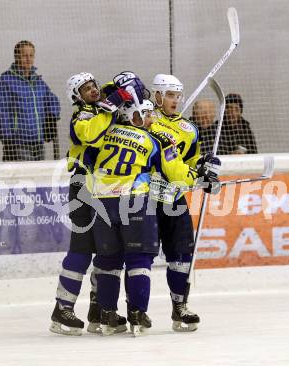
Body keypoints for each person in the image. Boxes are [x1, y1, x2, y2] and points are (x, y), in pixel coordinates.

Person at [88, 98, 210, 336]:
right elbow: (177, 173)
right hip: (136, 200)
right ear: (135, 114)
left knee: (108, 261)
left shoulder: (105, 132)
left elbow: (90, 159)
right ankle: (136, 313)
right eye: (146, 114)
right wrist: (200, 176)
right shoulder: (154, 140)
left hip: (102, 201)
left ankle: (105, 315)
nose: (151, 119)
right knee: (139, 260)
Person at [49, 71, 143, 336]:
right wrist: (111, 102)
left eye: (93, 85)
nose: (91, 89)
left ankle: (98, 309)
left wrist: (126, 85)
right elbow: (91, 135)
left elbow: (128, 96)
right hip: (83, 188)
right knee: (81, 249)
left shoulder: (104, 108)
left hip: (107, 189)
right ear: (75, 97)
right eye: (84, 89)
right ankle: (62, 308)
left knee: (108, 250)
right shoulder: (83, 116)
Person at [150, 74, 221, 331]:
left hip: (174, 198)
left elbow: (192, 162)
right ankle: (132, 309)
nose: (176, 100)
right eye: (170, 95)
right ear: (157, 95)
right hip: (144, 198)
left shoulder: (189, 129)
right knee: (138, 257)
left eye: (178, 95)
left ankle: (180, 307)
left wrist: (204, 167)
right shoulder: (145, 120)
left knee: (181, 255)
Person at [0, 40, 61, 161]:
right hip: (18, 142)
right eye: (24, 55)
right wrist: (7, 139)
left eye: (31, 55)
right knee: (24, 178)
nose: (28, 59)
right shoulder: (6, 81)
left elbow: (52, 99)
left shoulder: (37, 81)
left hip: (38, 141)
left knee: (38, 177)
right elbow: (0, 112)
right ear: (16, 57)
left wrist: (51, 116)